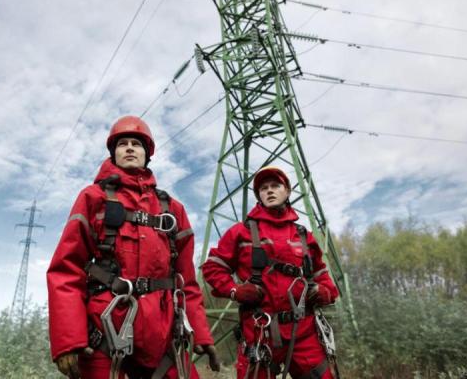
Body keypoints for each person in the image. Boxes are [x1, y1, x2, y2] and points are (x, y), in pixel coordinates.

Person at [47, 116, 220, 379]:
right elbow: (66, 270)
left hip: (165, 338)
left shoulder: (172, 210)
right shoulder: (92, 198)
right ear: (113, 153)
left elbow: (186, 283)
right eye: (123, 144)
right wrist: (68, 341)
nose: (129, 148)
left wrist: (202, 334)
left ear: (147, 154)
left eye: (136, 144)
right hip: (105, 334)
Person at [202, 166, 339, 379]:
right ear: (259, 196)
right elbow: (212, 268)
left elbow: (321, 272)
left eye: (275, 186)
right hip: (258, 331)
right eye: (264, 188)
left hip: (303, 331)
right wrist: (234, 291)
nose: (270, 191)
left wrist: (326, 292)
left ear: (287, 191)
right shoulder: (241, 232)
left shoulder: (303, 236)